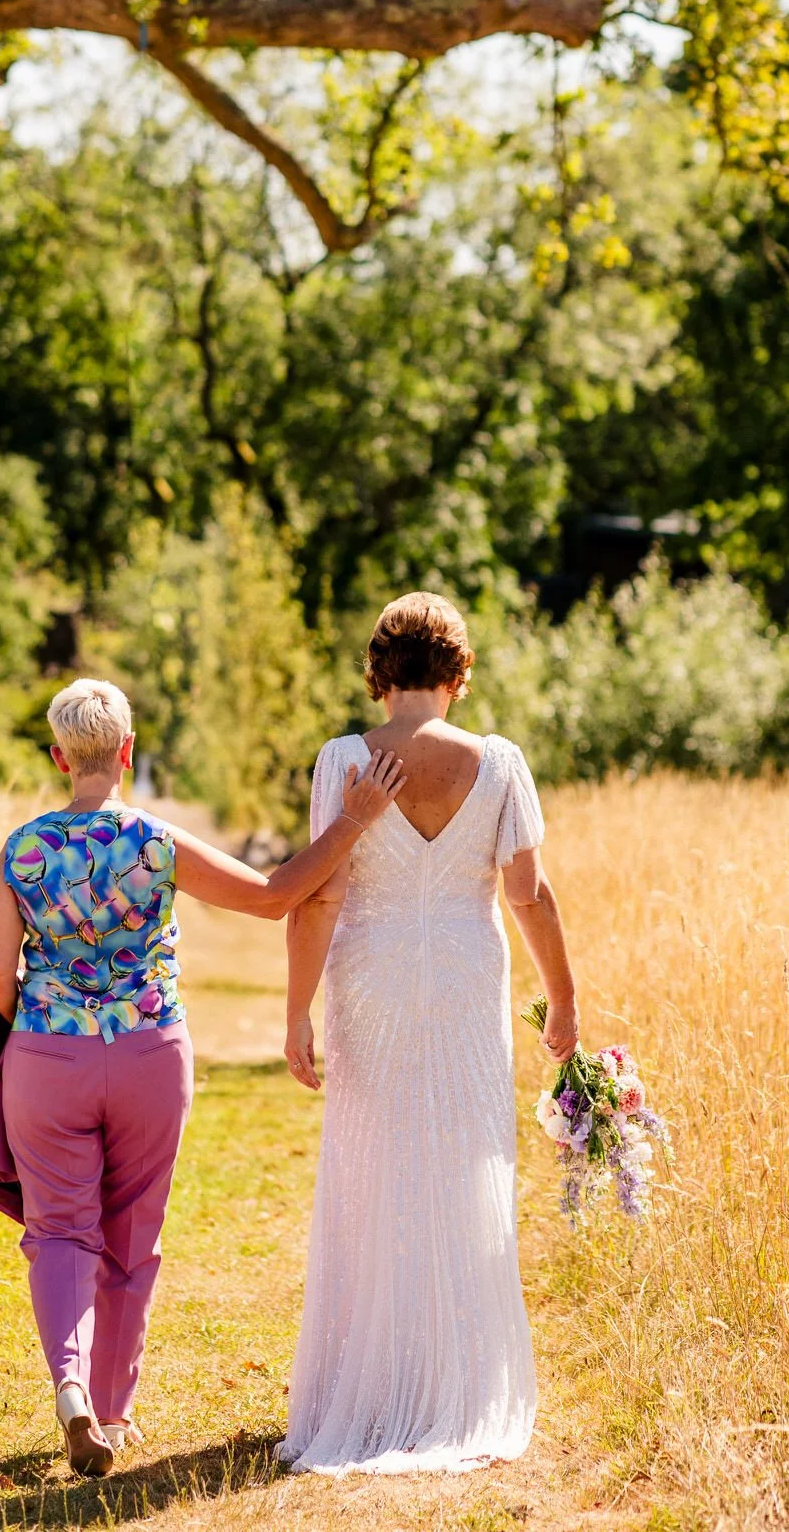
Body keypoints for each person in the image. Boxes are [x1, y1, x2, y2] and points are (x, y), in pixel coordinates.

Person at [0, 676, 406, 1478]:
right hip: (148, 1052)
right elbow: (277, 897)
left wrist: (30, 1024)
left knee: (60, 1229)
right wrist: (354, 819)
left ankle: (69, 1389)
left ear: (60, 755)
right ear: (127, 752)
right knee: (132, 1232)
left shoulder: (22, 850)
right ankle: (113, 1410)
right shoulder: (157, 843)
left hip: (47, 1056)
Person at [281, 592, 579, 1475]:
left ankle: (370, 1389)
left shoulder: (343, 758)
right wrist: (562, 995)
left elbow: (323, 892)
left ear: (377, 673)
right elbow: (529, 894)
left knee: (372, 1164)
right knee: (461, 1161)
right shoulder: (500, 763)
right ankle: (456, 1381)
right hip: (463, 978)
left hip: (369, 978)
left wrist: (297, 1011)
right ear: (460, 673)